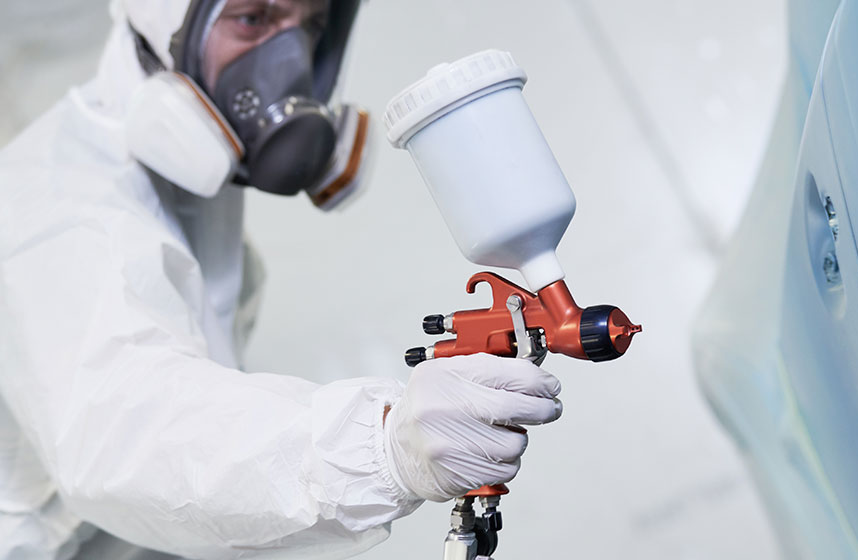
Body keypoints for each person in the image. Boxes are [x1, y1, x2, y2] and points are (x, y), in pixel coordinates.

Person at [0, 0, 563, 558]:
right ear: (165, 25)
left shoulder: (190, 203)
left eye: (312, 25)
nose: (289, 60)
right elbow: (124, 433)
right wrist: (381, 446)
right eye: (253, 18)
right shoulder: (56, 204)